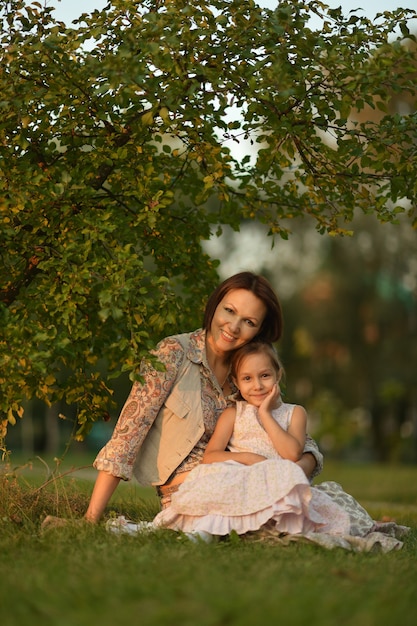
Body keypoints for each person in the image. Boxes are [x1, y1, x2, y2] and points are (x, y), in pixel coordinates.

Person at [82, 271, 323, 523]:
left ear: (259, 331)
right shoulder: (173, 353)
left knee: (315, 515)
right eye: (229, 311)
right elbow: (127, 436)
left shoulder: (250, 373)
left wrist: (298, 469)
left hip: (251, 480)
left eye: (249, 322)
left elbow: (292, 431)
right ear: (215, 303)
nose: (233, 327)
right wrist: (90, 519)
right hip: (191, 490)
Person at [152, 341, 351, 537]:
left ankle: (258, 526)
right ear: (237, 382)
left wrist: (265, 414)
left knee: (293, 482)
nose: (257, 385)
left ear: (277, 375)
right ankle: (204, 532)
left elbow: (292, 454)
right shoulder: (233, 414)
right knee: (220, 481)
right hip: (243, 478)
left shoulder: (295, 413)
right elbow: (210, 456)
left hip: (275, 482)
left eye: (264, 376)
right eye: (247, 378)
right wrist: (249, 459)